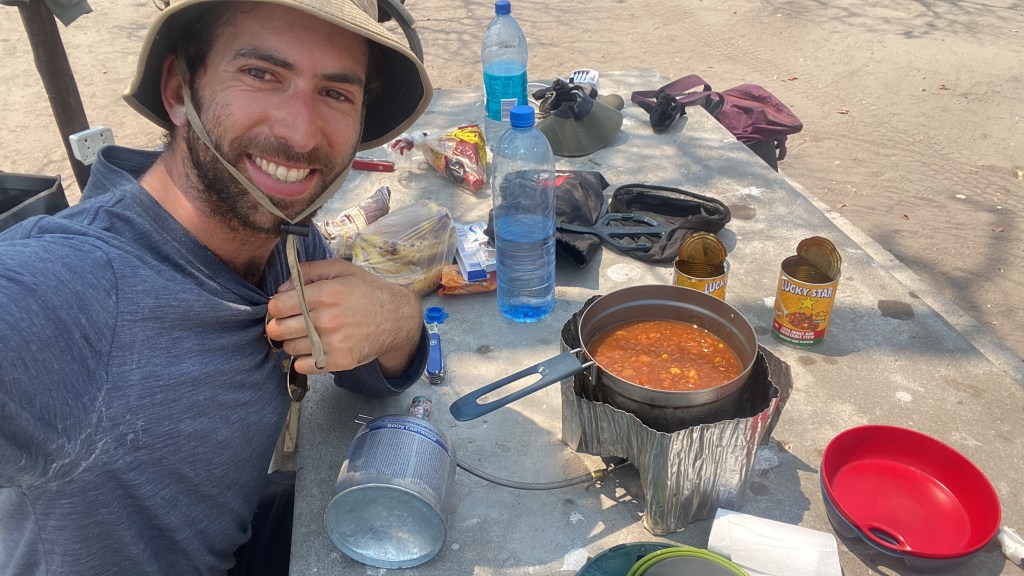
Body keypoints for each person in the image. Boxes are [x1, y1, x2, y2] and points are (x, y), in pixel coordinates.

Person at [0, 0, 434, 574]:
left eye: (335, 92)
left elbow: (363, 371)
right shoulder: (67, 292)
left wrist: (398, 315)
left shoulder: (286, 239)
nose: (300, 133)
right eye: (261, 74)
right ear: (179, 91)